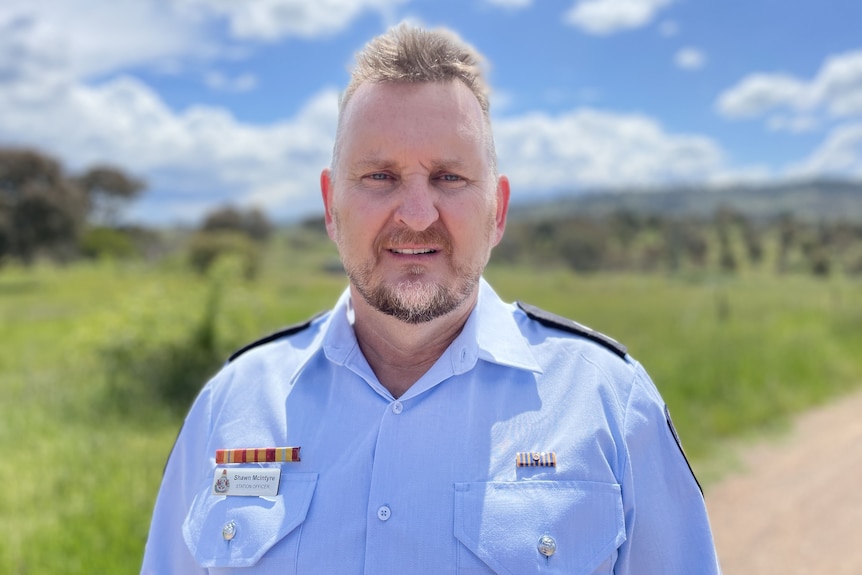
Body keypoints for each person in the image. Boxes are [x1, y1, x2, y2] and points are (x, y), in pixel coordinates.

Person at [142, 23, 721, 574]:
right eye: (379, 177)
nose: (417, 216)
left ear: (497, 209)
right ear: (329, 205)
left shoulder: (610, 404)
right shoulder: (232, 405)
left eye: (448, 177)